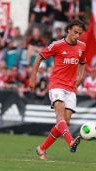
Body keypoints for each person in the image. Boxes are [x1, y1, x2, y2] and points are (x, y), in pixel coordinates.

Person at [30, 20, 86, 160]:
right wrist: (33, 77)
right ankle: (71, 142)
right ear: (68, 30)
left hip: (71, 88)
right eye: (75, 32)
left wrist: (80, 77)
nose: (77, 36)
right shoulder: (57, 45)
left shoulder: (82, 46)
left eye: (79, 33)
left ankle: (41, 148)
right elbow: (39, 58)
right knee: (60, 118)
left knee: (64, 123)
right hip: (57, 85)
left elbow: (83, 63)